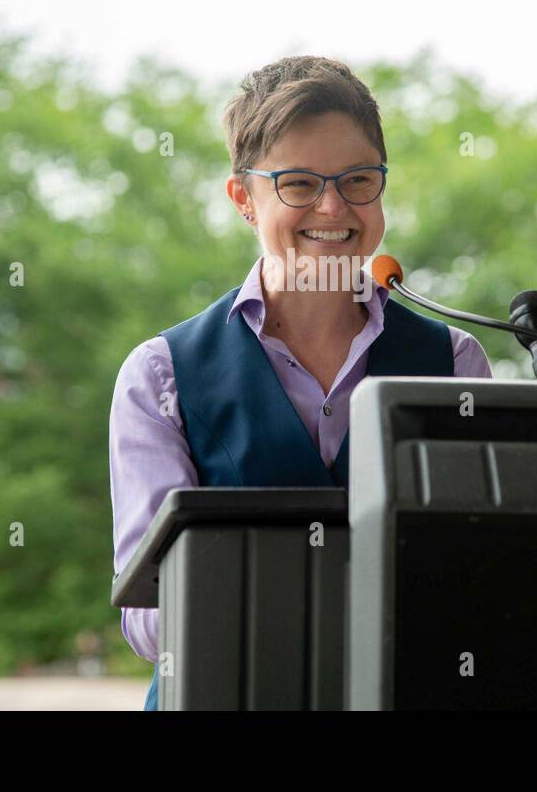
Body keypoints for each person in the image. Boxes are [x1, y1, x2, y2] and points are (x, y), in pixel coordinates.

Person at [107, 56, 492, 710]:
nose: (334, 207)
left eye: (358, 180)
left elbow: (477, 576)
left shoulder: (456, 361)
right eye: (299, 183)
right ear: (242, 200)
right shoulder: (160, 375)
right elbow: (149, 617)